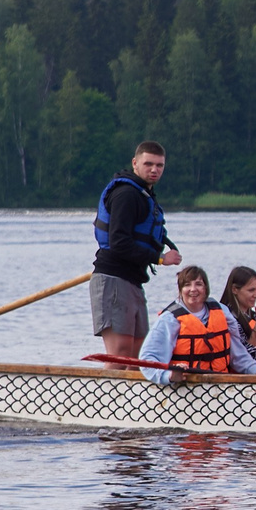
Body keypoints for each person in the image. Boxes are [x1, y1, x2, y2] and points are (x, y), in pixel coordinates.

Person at [91, 142, 182, 359]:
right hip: (113, 278)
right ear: (135, 163)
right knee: (119, 356)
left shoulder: (145, 195)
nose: (154, 170)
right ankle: (107, 393)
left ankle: (126, 394)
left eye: (159, 165)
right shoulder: (126, 194)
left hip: (132, 280)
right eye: (148, 164)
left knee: (138, 357)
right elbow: (119, 242)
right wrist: (160, 259)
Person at [136, 264, 256, 383]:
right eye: (187, 285)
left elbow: (238, 355)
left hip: (220, 386)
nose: (193, 289)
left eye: (198, 284)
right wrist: (170, 376)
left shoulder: (222, 312)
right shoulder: (169, 319)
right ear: (180, 290)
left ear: (206, 288)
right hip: (184, 389)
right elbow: (148, 361)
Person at [222, 264, 256, 373]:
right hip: (238, 380)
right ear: (235, 289)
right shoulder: (229, 319)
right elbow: (250, 357)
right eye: (251, 290)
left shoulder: (252, 315)